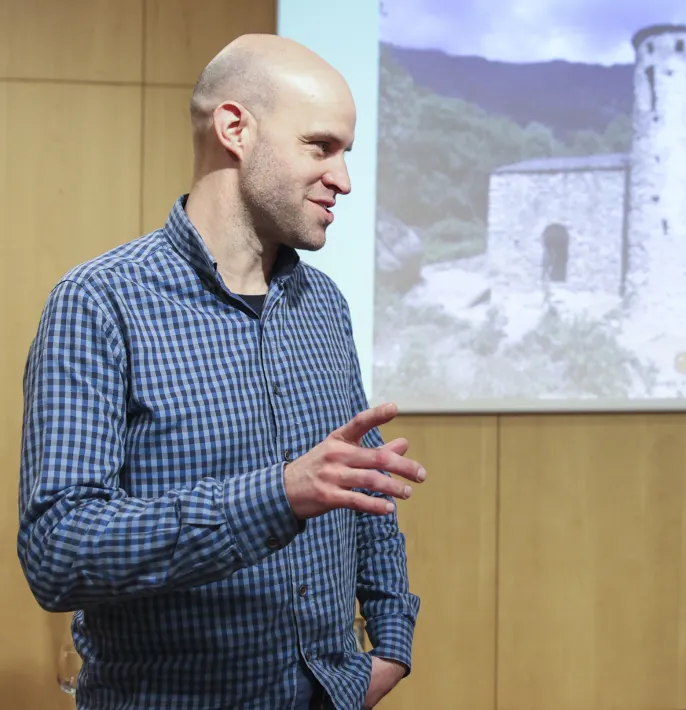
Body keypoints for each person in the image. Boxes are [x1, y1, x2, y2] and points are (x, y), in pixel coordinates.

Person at [17, 34, 424, 710]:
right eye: (321, 147)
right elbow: (59, 553)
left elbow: (366, 490)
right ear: (236, 129)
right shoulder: (100, 302)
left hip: (332, 694)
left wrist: (391, 645)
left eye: (346, 153)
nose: (344, 180)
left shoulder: (323, 304)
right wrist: (278, 495)